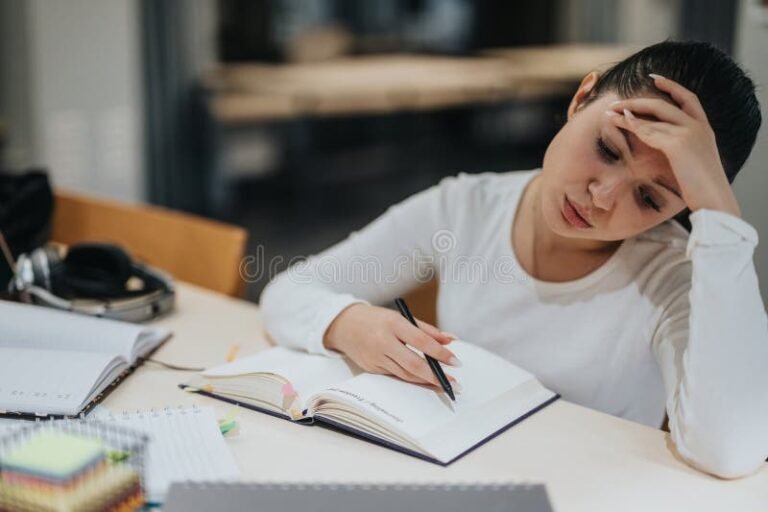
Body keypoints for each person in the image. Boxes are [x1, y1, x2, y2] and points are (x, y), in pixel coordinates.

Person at [259, 40, 768, 479]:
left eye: (651, 199)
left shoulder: (675, 277)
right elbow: (289, 290)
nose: (603, 196)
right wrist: (350, 323)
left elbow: (730, 449)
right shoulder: (465, 207)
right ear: (581, 98)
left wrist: (721, 219)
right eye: (609, 150)